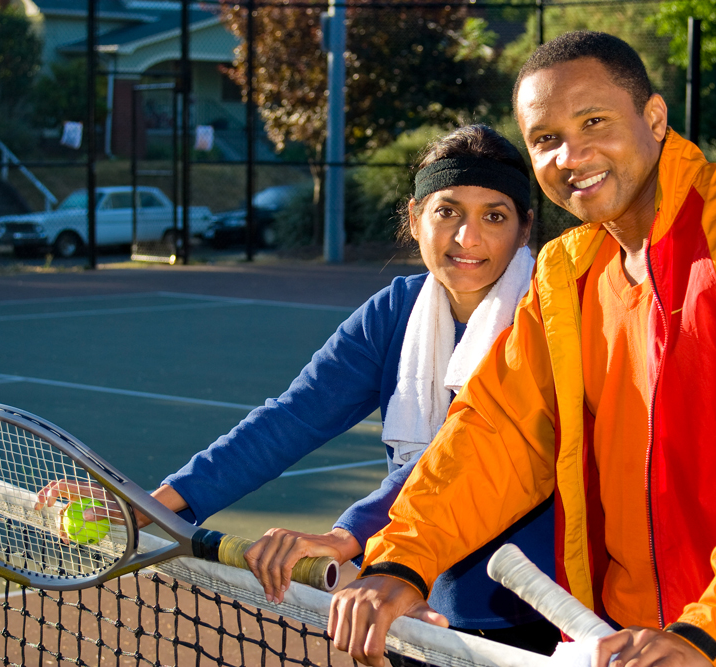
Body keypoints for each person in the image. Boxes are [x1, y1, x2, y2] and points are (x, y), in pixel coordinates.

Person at [327, 32, 716, 667]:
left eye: (593, 122)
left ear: (656, 119)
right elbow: (499, 431)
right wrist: (402, 559)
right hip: (628, 641)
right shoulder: (568, 272)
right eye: (545, 138)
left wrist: (713, 632)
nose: (571, 154)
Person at [36, 124, 560, 656]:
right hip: (416, 605)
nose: (467, 238)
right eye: (447, 211)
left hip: (546, 613)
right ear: (415, 218)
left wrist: (347, 534)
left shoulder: (548, 319)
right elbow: (291, 419)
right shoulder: (393, 313)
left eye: (493, 216)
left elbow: (471, 453)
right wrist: (155, 507)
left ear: (524, 230)